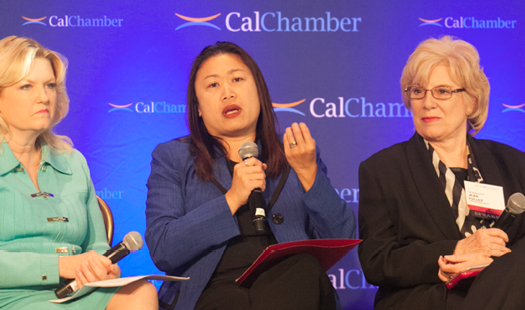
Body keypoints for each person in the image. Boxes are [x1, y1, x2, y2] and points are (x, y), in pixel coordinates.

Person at [145, 42, 356, 310]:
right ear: (197, 107)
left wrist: (308, 173)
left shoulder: (294, 152)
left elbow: (341, 236)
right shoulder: (173, 157)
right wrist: (232, 198)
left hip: (289, 286)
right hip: (211, 291)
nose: (227, 93)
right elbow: (163, 248)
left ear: (258, 90)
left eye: (237, 79)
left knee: (302, 270)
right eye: (213, 85)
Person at [0, 36, 158, 309]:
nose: (44, 96)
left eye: (50, 85)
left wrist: (104, 266)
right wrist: (61, 265)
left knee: (141, 292)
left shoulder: (73, 161)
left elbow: (96, 246)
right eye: (26, 86)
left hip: (74, 292)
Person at [358, 36, 525, 310]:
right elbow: (377, 261)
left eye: (443, 91)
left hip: (506, 291)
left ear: (471, 101)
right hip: (430, 298)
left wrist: (497, 262)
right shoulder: (382, 169)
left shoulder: (514, 163)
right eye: (417, 91)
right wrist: (457, 250)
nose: (428, 102)